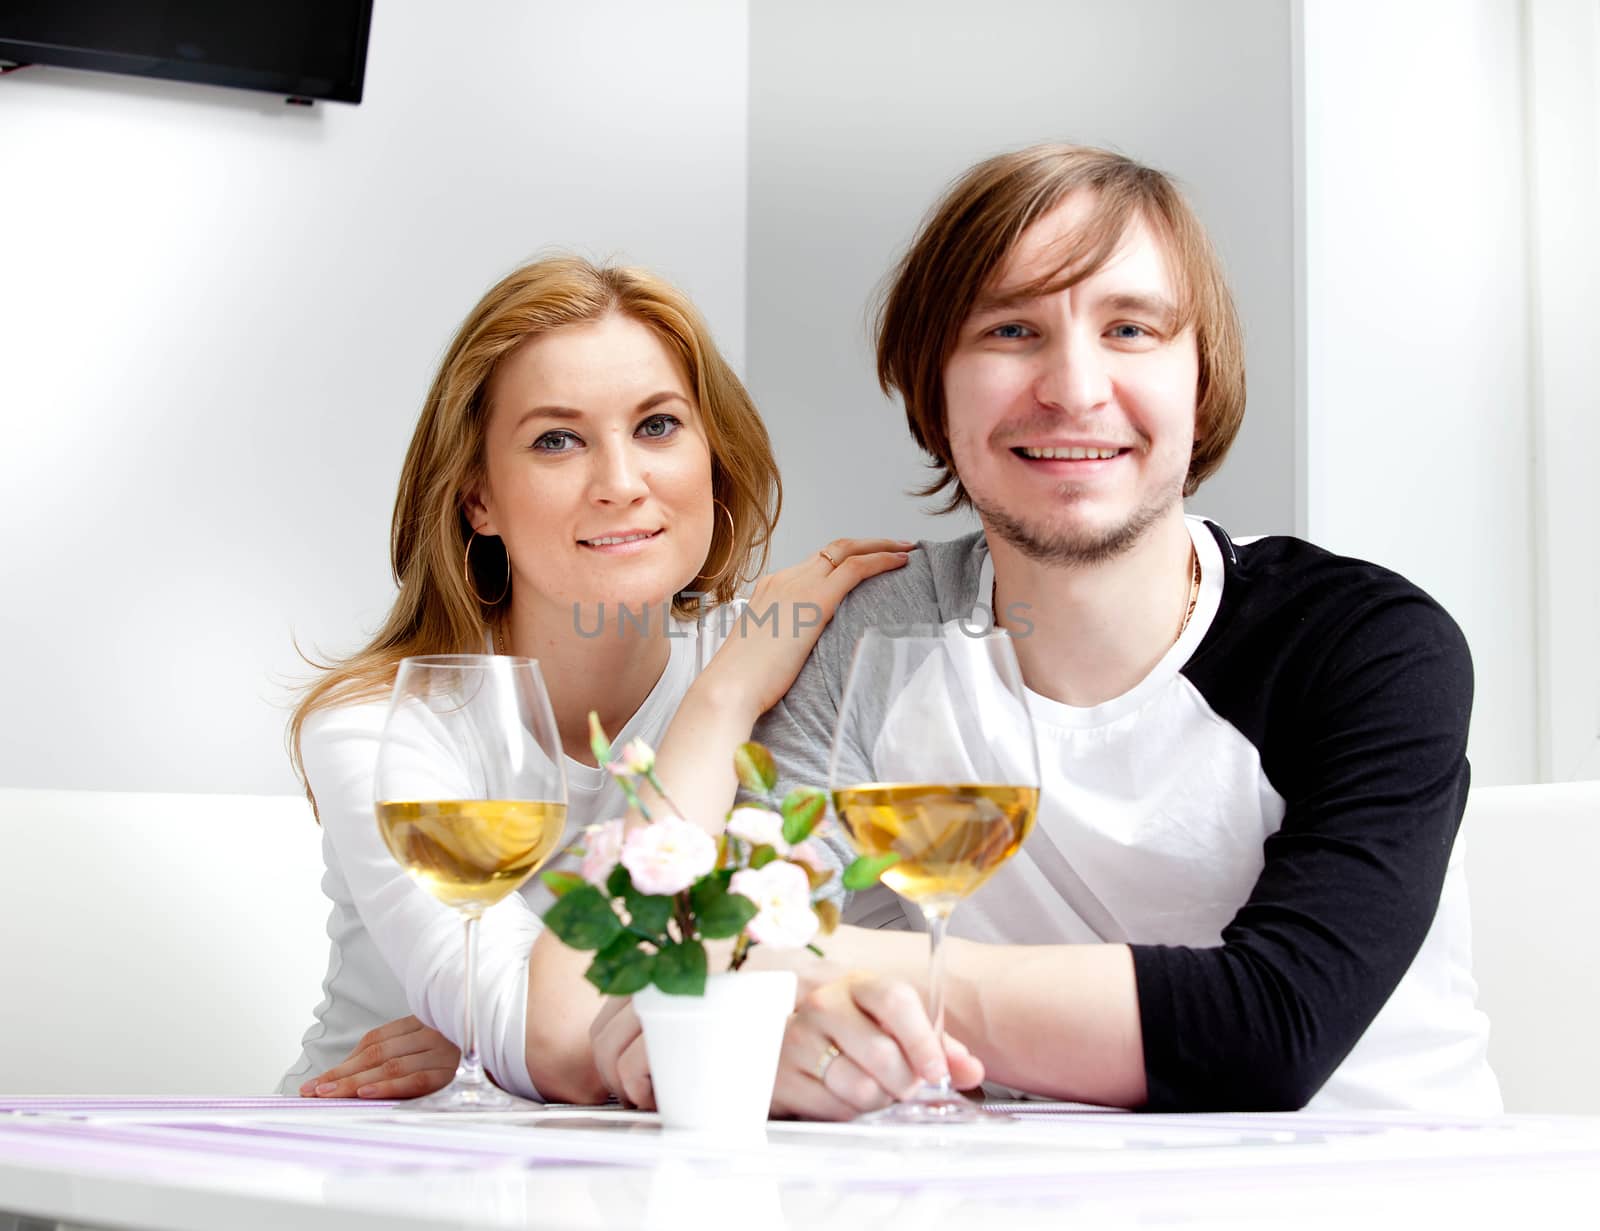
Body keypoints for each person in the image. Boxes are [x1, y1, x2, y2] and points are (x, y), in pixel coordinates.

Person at [589, 143, 1501, 1116]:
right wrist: (764, 1032)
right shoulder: (871, 642)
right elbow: (660, 983)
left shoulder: (1366, 645)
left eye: (1130, 329)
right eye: (1013, 330)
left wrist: (809, 965)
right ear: (934, 386)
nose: (1072, 387)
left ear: (1202, 379)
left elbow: (1269, 1031)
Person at [280, 255, 913, 1101]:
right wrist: (715, 706)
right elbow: (561, 1044)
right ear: (478, 499)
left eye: (657, 426)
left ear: (712, 458)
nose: (621, 483)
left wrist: (509, 1046)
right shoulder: (380, 726)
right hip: (363, 1162)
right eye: (557, 439)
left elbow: (860, 988)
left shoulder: (781, 672)